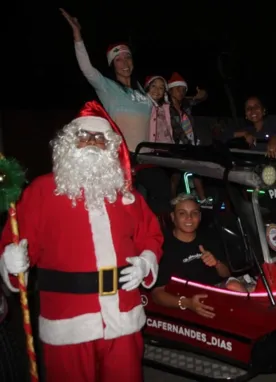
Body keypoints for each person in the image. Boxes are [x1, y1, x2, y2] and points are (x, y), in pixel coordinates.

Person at [0, 101, 164, 382]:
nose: (91, 142)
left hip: (123, 319)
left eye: (100, 138)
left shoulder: (126, 196)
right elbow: (17, 242)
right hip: (67, 323)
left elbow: (151, 234)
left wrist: (146, 261)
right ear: (68, 144)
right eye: (83, 136)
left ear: (110, 148)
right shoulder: (42, 191)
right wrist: (11, 262)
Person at [61, 8, 152, 153]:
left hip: (149, 156)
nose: (125, 63)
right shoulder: (107, 87)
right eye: (118, 60)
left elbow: (165, 102)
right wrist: (77, 35)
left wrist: (195, 99)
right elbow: (87, 68)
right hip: (122, 155)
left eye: (128, 57)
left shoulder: (142, 90)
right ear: (113, 65)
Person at [152, 194, 249, 318]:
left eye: (194, 213)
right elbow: (156, 294)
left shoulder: (209, 237)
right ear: (173, 217)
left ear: (200, 216)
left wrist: (217, 263)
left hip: (216, 293)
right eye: (182, 213)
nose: (189, 218)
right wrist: (187, 303)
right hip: (187, 300)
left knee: (235, 287)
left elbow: (226, 274)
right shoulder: (164, 247)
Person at [167, 73, 210, 206]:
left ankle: (203, 200)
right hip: (177, 145)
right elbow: (177, 129)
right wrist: (188, 146)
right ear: (170, 90)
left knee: (197, 171)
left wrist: (203, 94)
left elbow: (201, 98)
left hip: (191, 144)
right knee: (175, 176)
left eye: (183, 89)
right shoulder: (167, 108)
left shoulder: (185, 104)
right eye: (177, 88)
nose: (181, 92)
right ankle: (172, 203)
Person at [144, 75, 174, 144]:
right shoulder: (144, 106)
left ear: (164, 93)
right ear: (148, 87)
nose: (157, 90)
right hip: (152, 147)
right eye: (153, 86)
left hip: (167, 146)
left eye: (161, 88)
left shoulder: (165, 108)